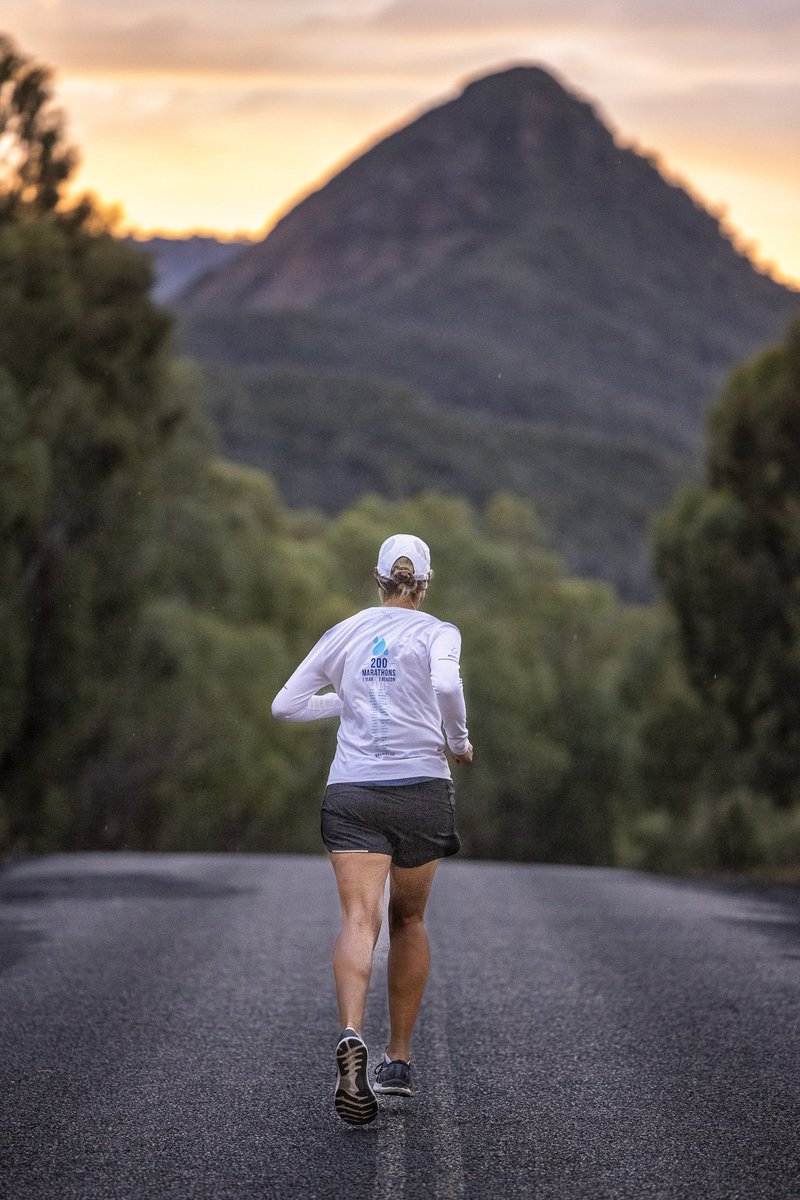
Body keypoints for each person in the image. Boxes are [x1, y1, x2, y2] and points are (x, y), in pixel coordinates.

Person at [271, 533, 473, 1125]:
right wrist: (458, 742)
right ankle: (399, 1059)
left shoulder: (344, 633)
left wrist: (350, 698)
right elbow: (445, 686)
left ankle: (351, 1033)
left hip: (353, 792)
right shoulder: (440, 632)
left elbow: (285, 706)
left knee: (359, 920)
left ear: (377, 578)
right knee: (407, 919)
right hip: (419, 791)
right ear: (426, 581)